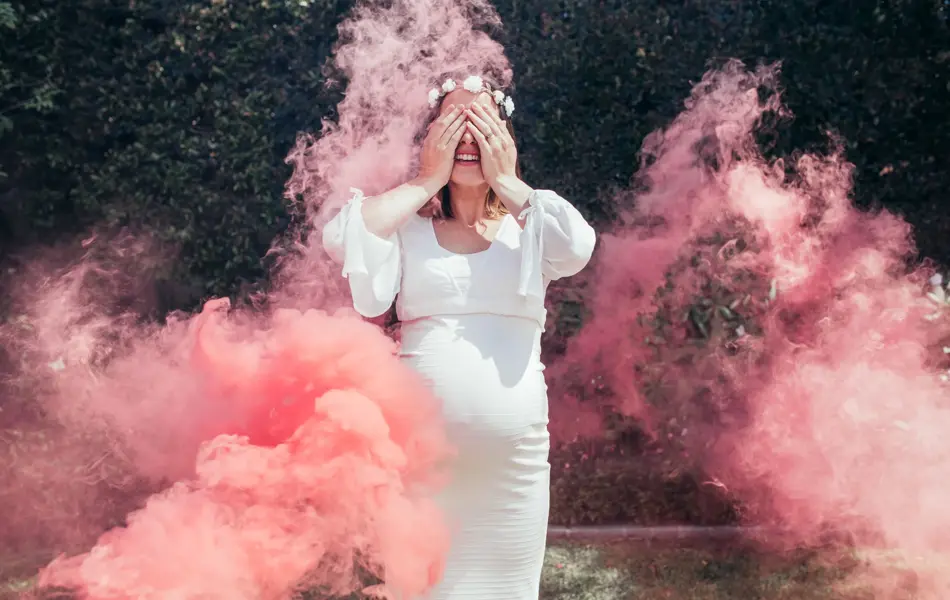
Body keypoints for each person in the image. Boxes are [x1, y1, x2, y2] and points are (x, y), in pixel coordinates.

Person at [322, 73, 596, 600]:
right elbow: (342, 238)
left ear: (505, 137)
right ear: (432, 137)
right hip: (425, 467)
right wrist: (427, 181)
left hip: (513, 471)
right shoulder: (407, 228)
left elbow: (578, 247)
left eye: (482, 123)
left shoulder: (531, 226)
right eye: (454, 122)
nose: (468, 137)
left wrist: (509, 180)